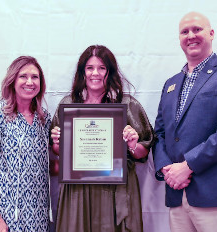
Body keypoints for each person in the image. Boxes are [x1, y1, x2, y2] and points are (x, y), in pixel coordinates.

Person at [153, 12, 217, 232]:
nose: (191, 35)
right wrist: (167, 170)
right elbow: (159, 133)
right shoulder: (171, 83)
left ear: (211, 33)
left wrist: (187, 166)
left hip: (216, 194)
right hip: (177, 194)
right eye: (184, 31)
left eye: (197, 29)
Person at [50, 45, 154, 232]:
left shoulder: (128, 105)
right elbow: (58, 152)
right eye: (89, 68)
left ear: (110, 72)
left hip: (115, 189)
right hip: (77, 189)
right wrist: (58, 144)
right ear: (82, 72)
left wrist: (132, 144)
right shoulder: (68, 105)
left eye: (102, 68)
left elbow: (142, 152)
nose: (95, 73)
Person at [0, 56, 51, 232]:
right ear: (12, 80)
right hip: (5, 217)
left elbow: (43, 166)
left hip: (37, 218)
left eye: (35, 77)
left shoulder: (44, 119)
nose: (30, 82)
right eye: (23, 76)